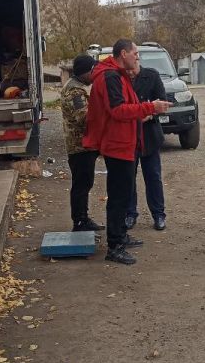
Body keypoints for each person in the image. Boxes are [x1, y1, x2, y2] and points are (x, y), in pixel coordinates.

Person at [83, 39, 171, 265]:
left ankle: (120, 235)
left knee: (124, 192)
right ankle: (115, 246)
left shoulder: (114, 74)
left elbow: (121, 109)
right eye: (135, 53)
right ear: (124, 53)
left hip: (123, 142)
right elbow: (117, 110)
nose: (138, 57)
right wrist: (150, 107)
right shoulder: (111, 76)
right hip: (118, 145)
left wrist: (140, 114)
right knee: (119, 197)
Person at [61, 54, 103, 232]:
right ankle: (79, 221)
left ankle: (83, 218)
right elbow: (83, 117)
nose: (94, 74)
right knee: (81, 184)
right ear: (85, 72)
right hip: (79, 147)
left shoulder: (79, 87)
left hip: (84, 145)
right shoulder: (75, 91)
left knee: (85, 183)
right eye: (92, 70)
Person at [126, 59, 167, 231]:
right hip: (128, 137)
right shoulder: (120, 78)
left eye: (133, 68)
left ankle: (158, 215)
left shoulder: (152, 76)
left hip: (149, 134)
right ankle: (129, 214)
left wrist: (148, 114)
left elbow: (163, 103)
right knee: (128, 178)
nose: (130, 72)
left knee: (153, 177)